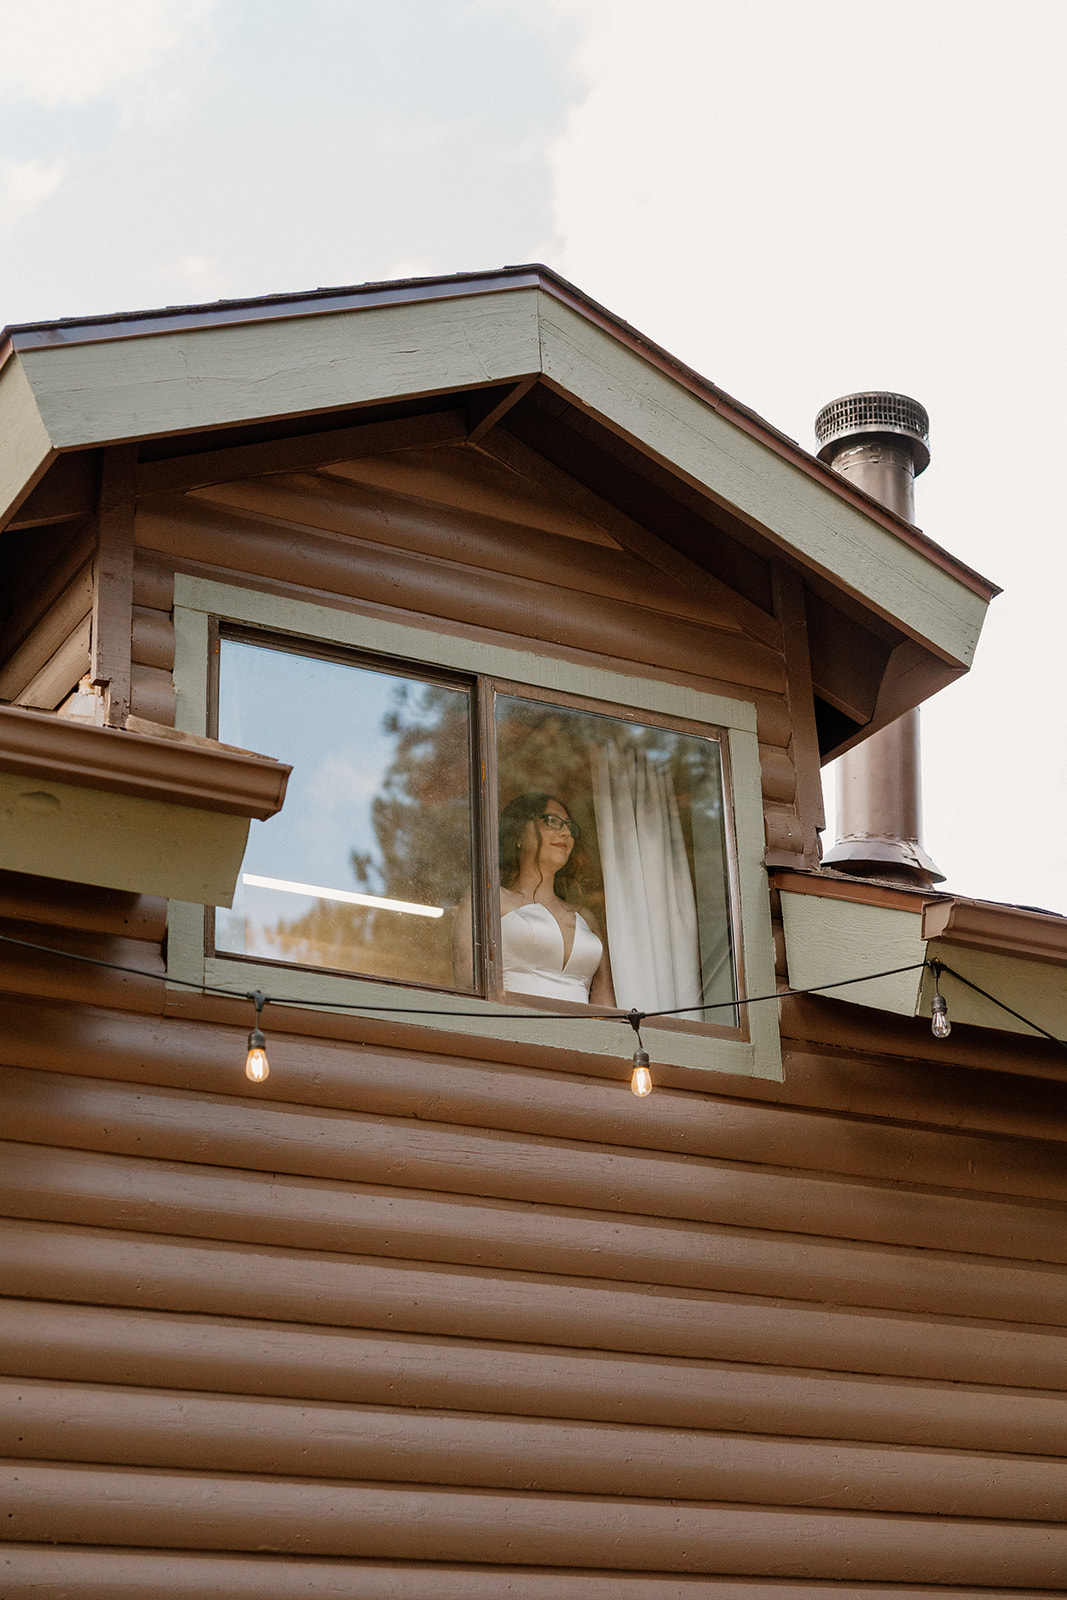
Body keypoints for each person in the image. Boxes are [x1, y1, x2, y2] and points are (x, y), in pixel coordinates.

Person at [496, 791, 615, 1005]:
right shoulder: (491, 901)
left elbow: (606, 1004)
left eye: (570, 827)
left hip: (582, 1036)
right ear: (517, 834)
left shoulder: (585, 918)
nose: (566, 833)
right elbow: (470, 983)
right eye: (553, 821)